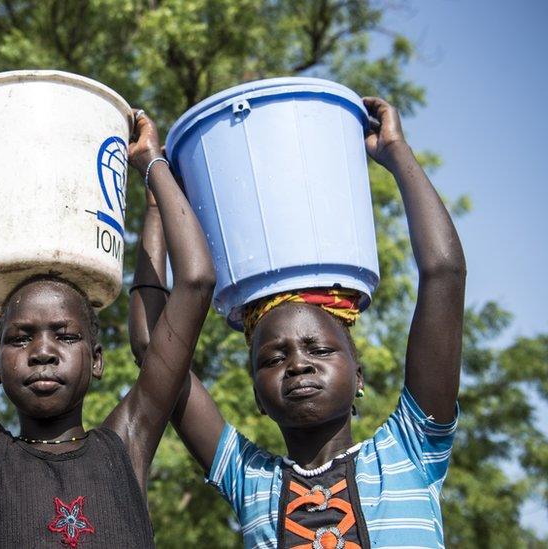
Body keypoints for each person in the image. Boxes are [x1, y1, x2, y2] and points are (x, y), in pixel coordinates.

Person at [130, 97, 466, 548]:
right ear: (256, 395)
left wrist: (396, 151)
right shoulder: (250, 480)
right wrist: (155, 196)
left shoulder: (410, 451)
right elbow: (156, 352)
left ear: (359, 374)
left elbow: (444, 272)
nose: (298, 365)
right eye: (273, 357)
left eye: (320, 349)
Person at [0, 111, 215, 547]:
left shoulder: (128, 443)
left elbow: (196, 282)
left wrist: (153, 169)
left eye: (66, 335)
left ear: (96, 361)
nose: (43, 351)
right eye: (20, 337)